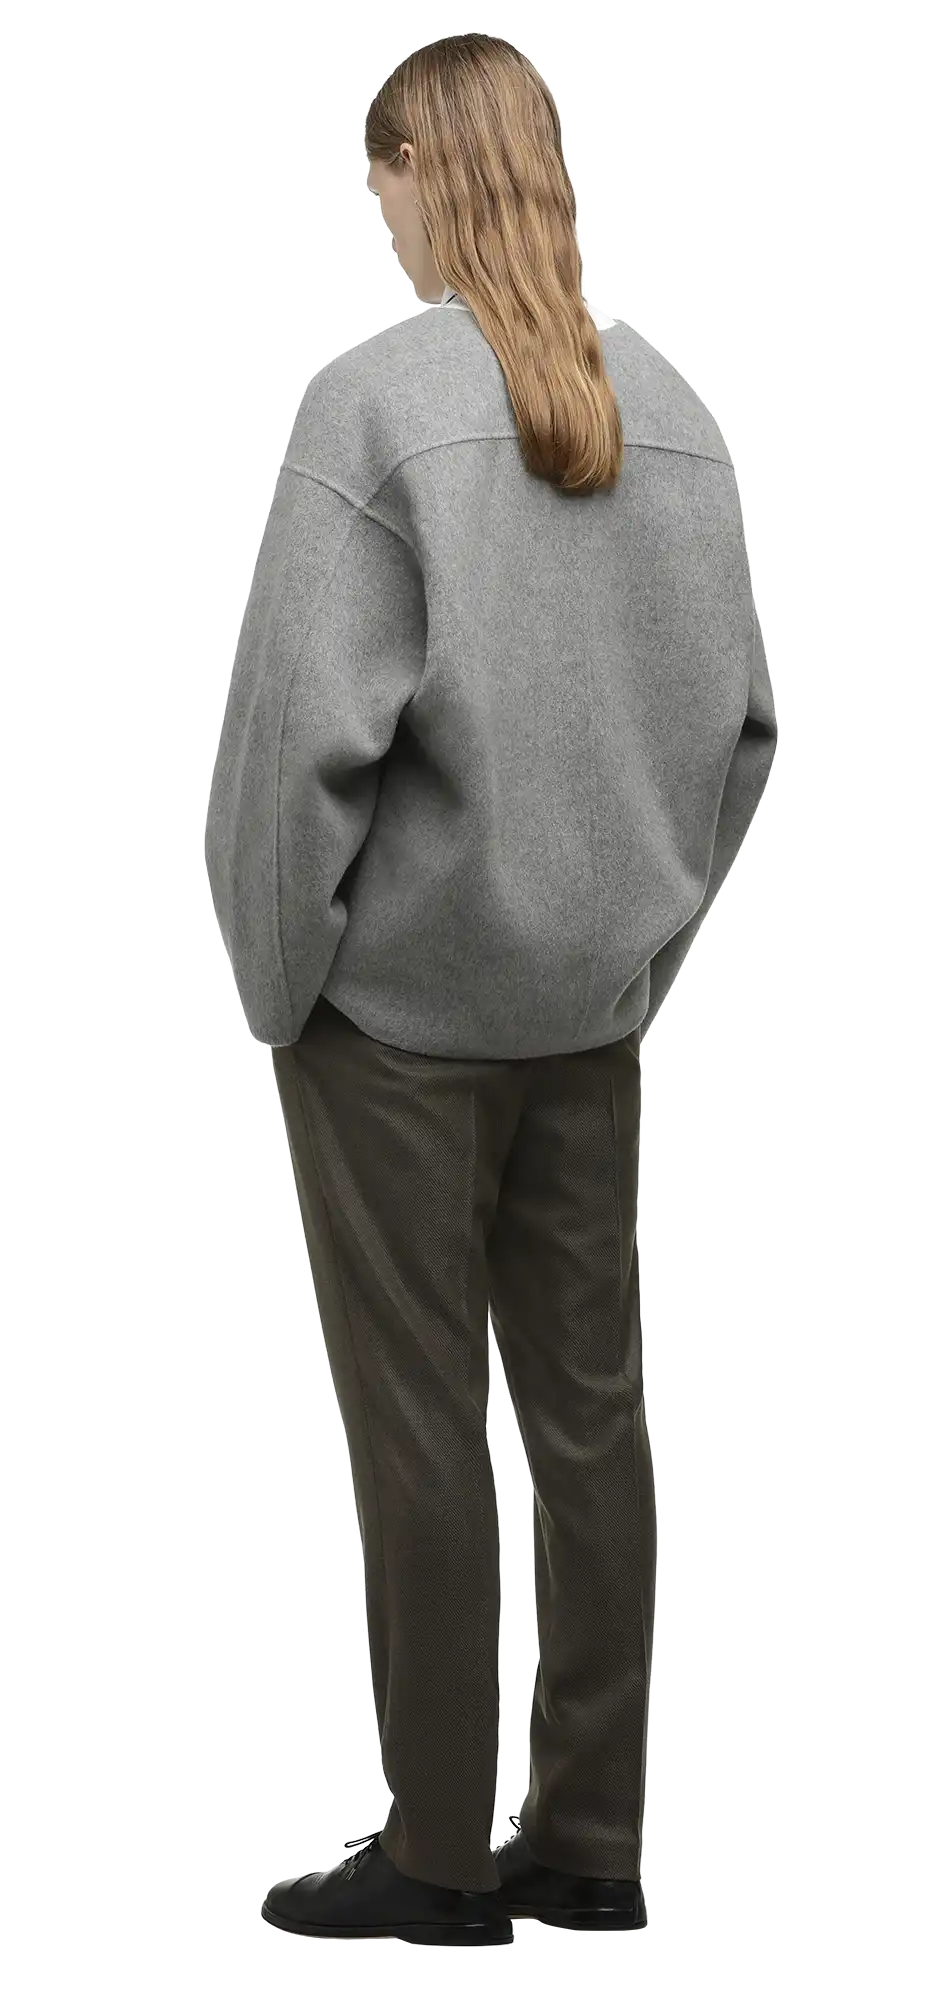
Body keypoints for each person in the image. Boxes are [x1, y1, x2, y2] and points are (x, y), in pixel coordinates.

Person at [204, 32, 779, 1952]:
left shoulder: (376, 403)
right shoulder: (671, 408)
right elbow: (741, 735)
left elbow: (287, 753)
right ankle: (590, 1842)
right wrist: (631, 958)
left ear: (421, 169)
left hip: (394, 1024)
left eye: (376, 180)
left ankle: (440, 1858)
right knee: (590, 1418)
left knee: (421, 1426)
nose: (374, 216)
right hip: (585, 1022)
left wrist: (288, 986)